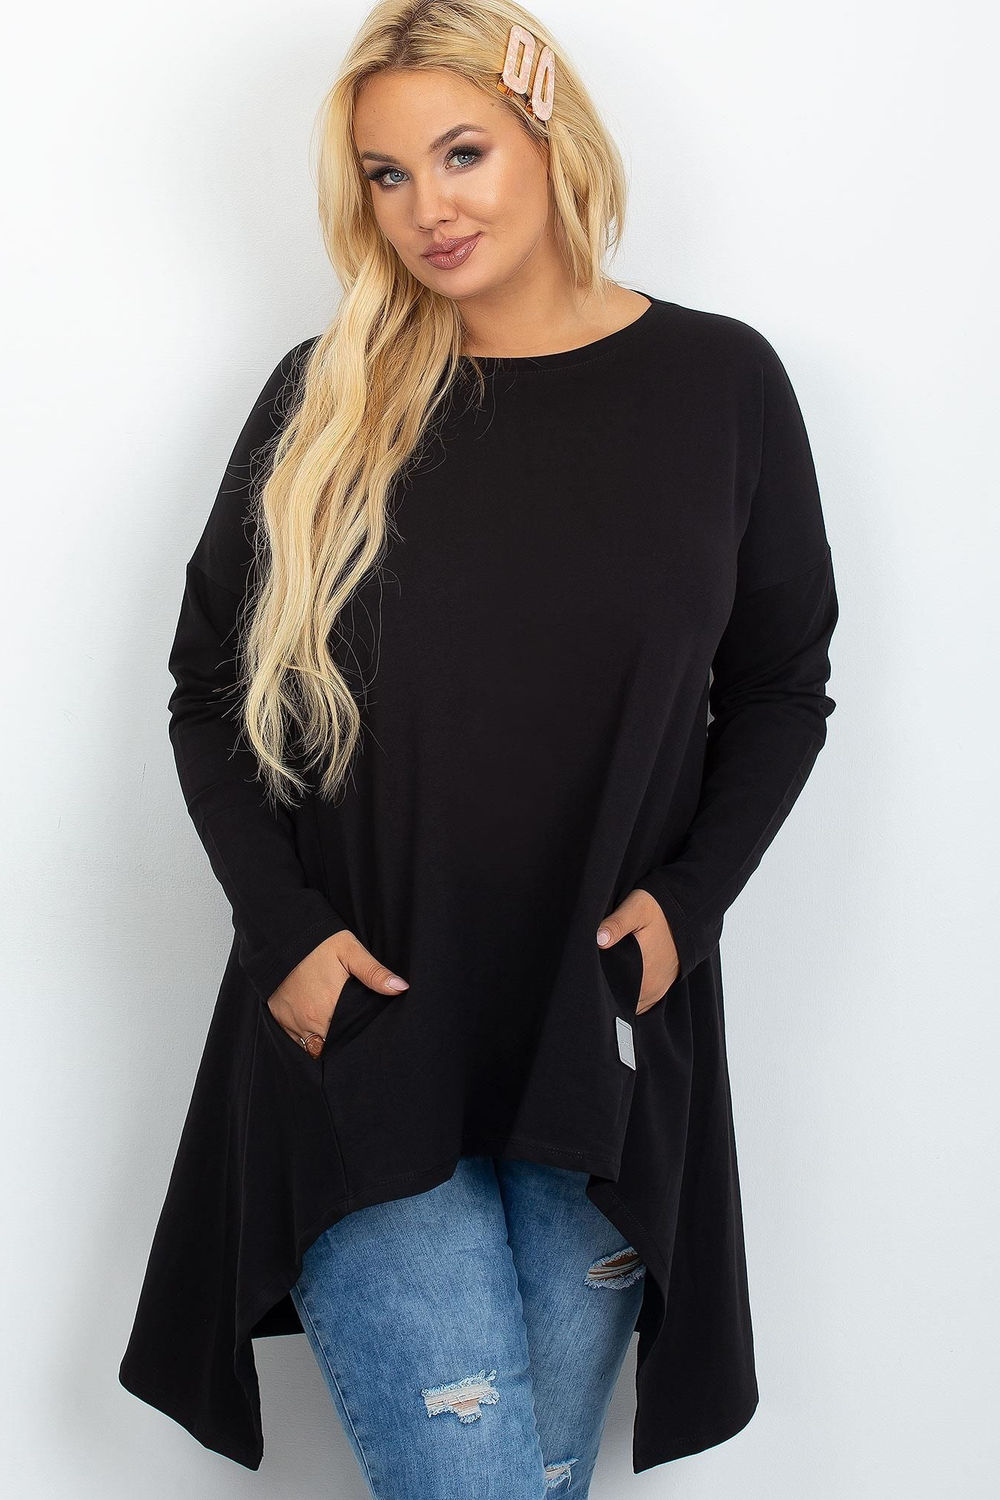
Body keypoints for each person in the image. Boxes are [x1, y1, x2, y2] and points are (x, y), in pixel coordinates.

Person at [118, 2, 840, 1495]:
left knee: (533, 1482)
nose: (427, 208)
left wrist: (688, 906)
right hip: (368, 1045)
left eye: (462, 153)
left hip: (599, 1046)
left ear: (549, 137)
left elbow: (780, 687)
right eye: (387, 175)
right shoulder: (325, 400)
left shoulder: (723, 387)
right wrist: (287, 937)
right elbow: (207, 693)